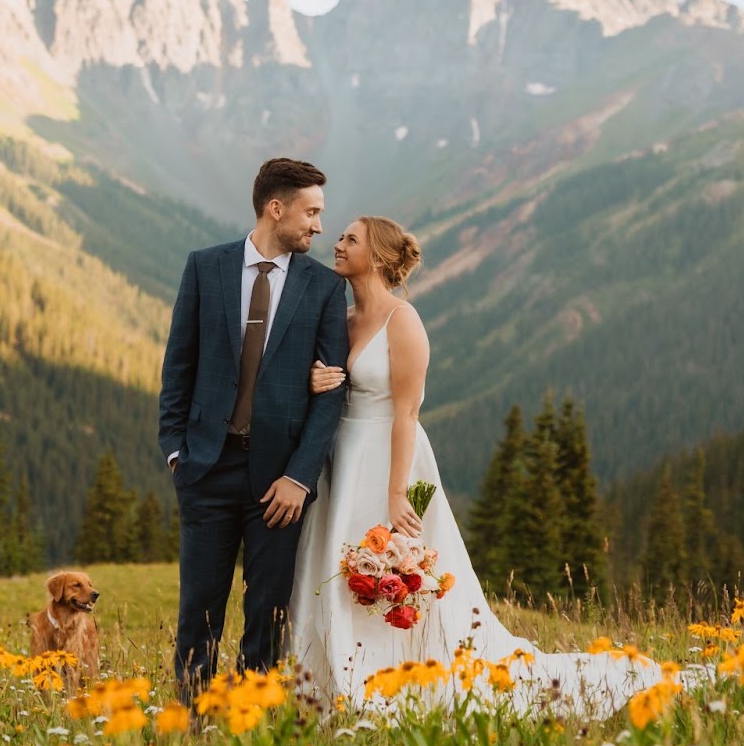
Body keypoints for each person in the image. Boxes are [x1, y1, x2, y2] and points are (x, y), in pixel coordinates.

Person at [288, 216, 679, 717]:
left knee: (392, 567)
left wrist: (396, 492)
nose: (336, 244)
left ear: (380, 257)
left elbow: (406, 412)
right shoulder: (341, 320)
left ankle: (394, 682)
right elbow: (335, 383)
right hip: (341, 457)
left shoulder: (402, 320)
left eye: (350, 239)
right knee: (337, 569)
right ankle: (329, 682)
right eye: (339, 237)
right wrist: (318, 379)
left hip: (389, 457)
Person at [159, 158, 349, 700]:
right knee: (198, 609)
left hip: (279, 483)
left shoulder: (323, 288)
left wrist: (300, 476)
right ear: (276, 208)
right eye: (311, 213)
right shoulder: (205, 267)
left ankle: (247, 722)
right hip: (206, 468)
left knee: (267, 611)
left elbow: (331, 393)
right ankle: (190, 721)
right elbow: (179, 368)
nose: (318, 226)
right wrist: (177, 453)